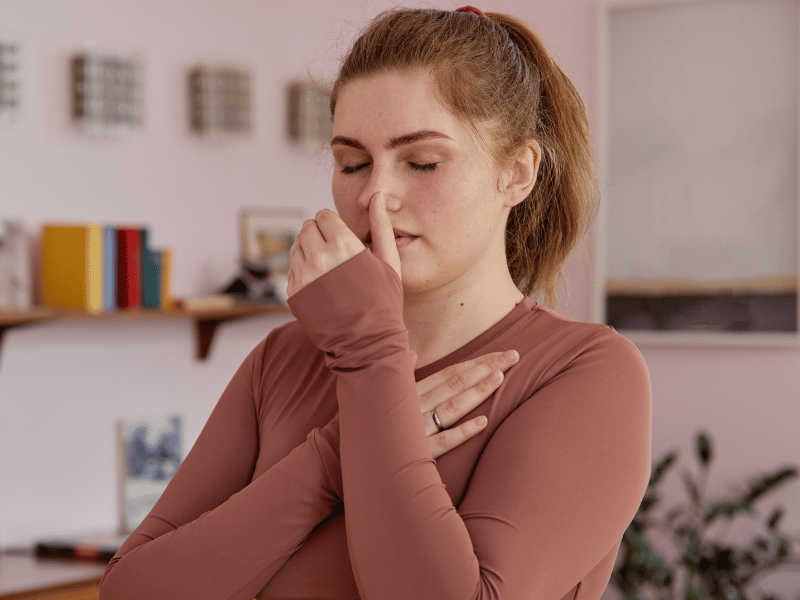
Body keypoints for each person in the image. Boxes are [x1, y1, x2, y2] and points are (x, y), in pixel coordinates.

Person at [99, 6, 651, 600]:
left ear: (516, 173)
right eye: (351, 163)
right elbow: (130, 592)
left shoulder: (588, 372)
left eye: (422, 162)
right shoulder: (284, 358)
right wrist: (333, 458)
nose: (374, 195)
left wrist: (369, 354)